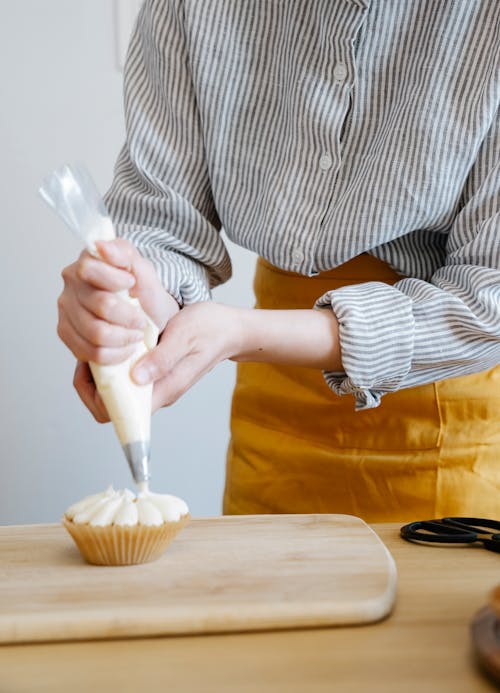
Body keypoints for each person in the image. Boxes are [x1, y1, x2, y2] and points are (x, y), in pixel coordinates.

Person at [57, 0, 500, 521]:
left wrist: (243, 333)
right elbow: (162, 214)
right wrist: (136, 296)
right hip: (269, 430)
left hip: (447, 433)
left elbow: (486, 299)